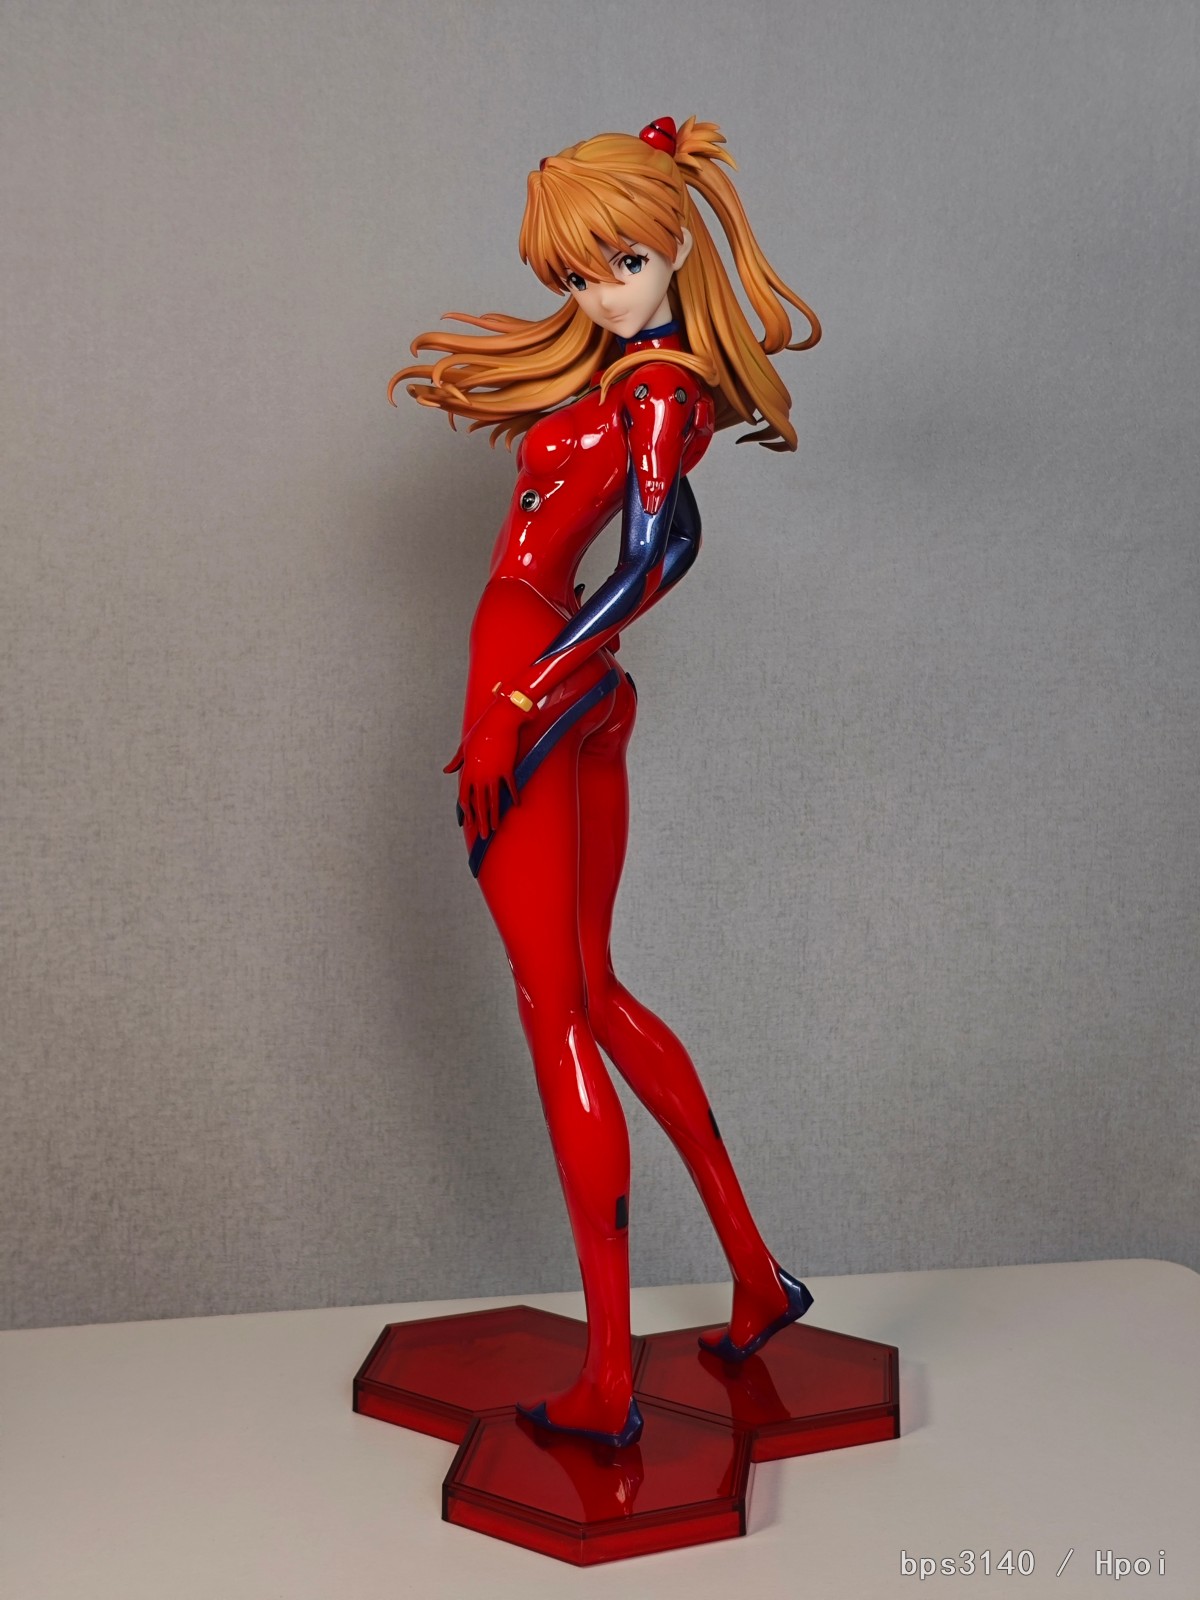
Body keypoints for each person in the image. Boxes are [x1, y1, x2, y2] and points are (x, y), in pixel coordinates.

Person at [392, 115, 821, 1448]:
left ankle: (610, 1379)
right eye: (577, 274)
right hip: (581, 684)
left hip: (538, 676)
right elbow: (670, 539)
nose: (598, 294)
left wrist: (519, 697)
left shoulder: (656, 393)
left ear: (674, 243)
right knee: (592, 989)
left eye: (619, 263)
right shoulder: (653, 382)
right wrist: (564, 675)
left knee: (554, 1014)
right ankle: (757, 1275)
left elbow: (646, 559)